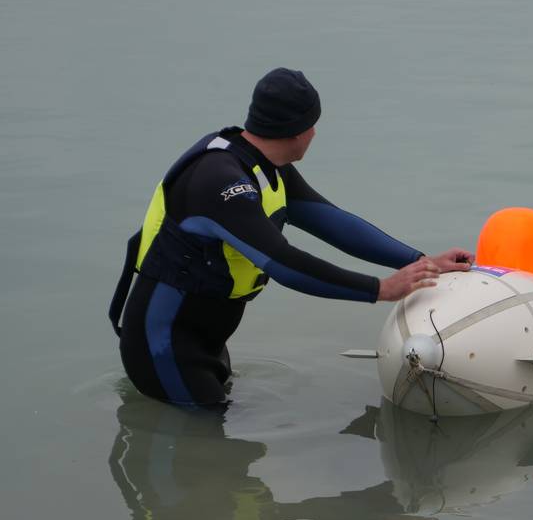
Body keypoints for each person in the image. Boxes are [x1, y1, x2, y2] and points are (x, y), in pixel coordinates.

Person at [109, 67, 473, 406]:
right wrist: (379, 289)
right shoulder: (218, 181)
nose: (315, 134)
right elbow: (283, 263)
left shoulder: (267, 168)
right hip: (163, 346)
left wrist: (420, 262)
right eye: (314, 125)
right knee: (203, 452)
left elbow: (334, 223)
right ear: (299, 131)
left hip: (203, 339)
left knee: (222, 451)